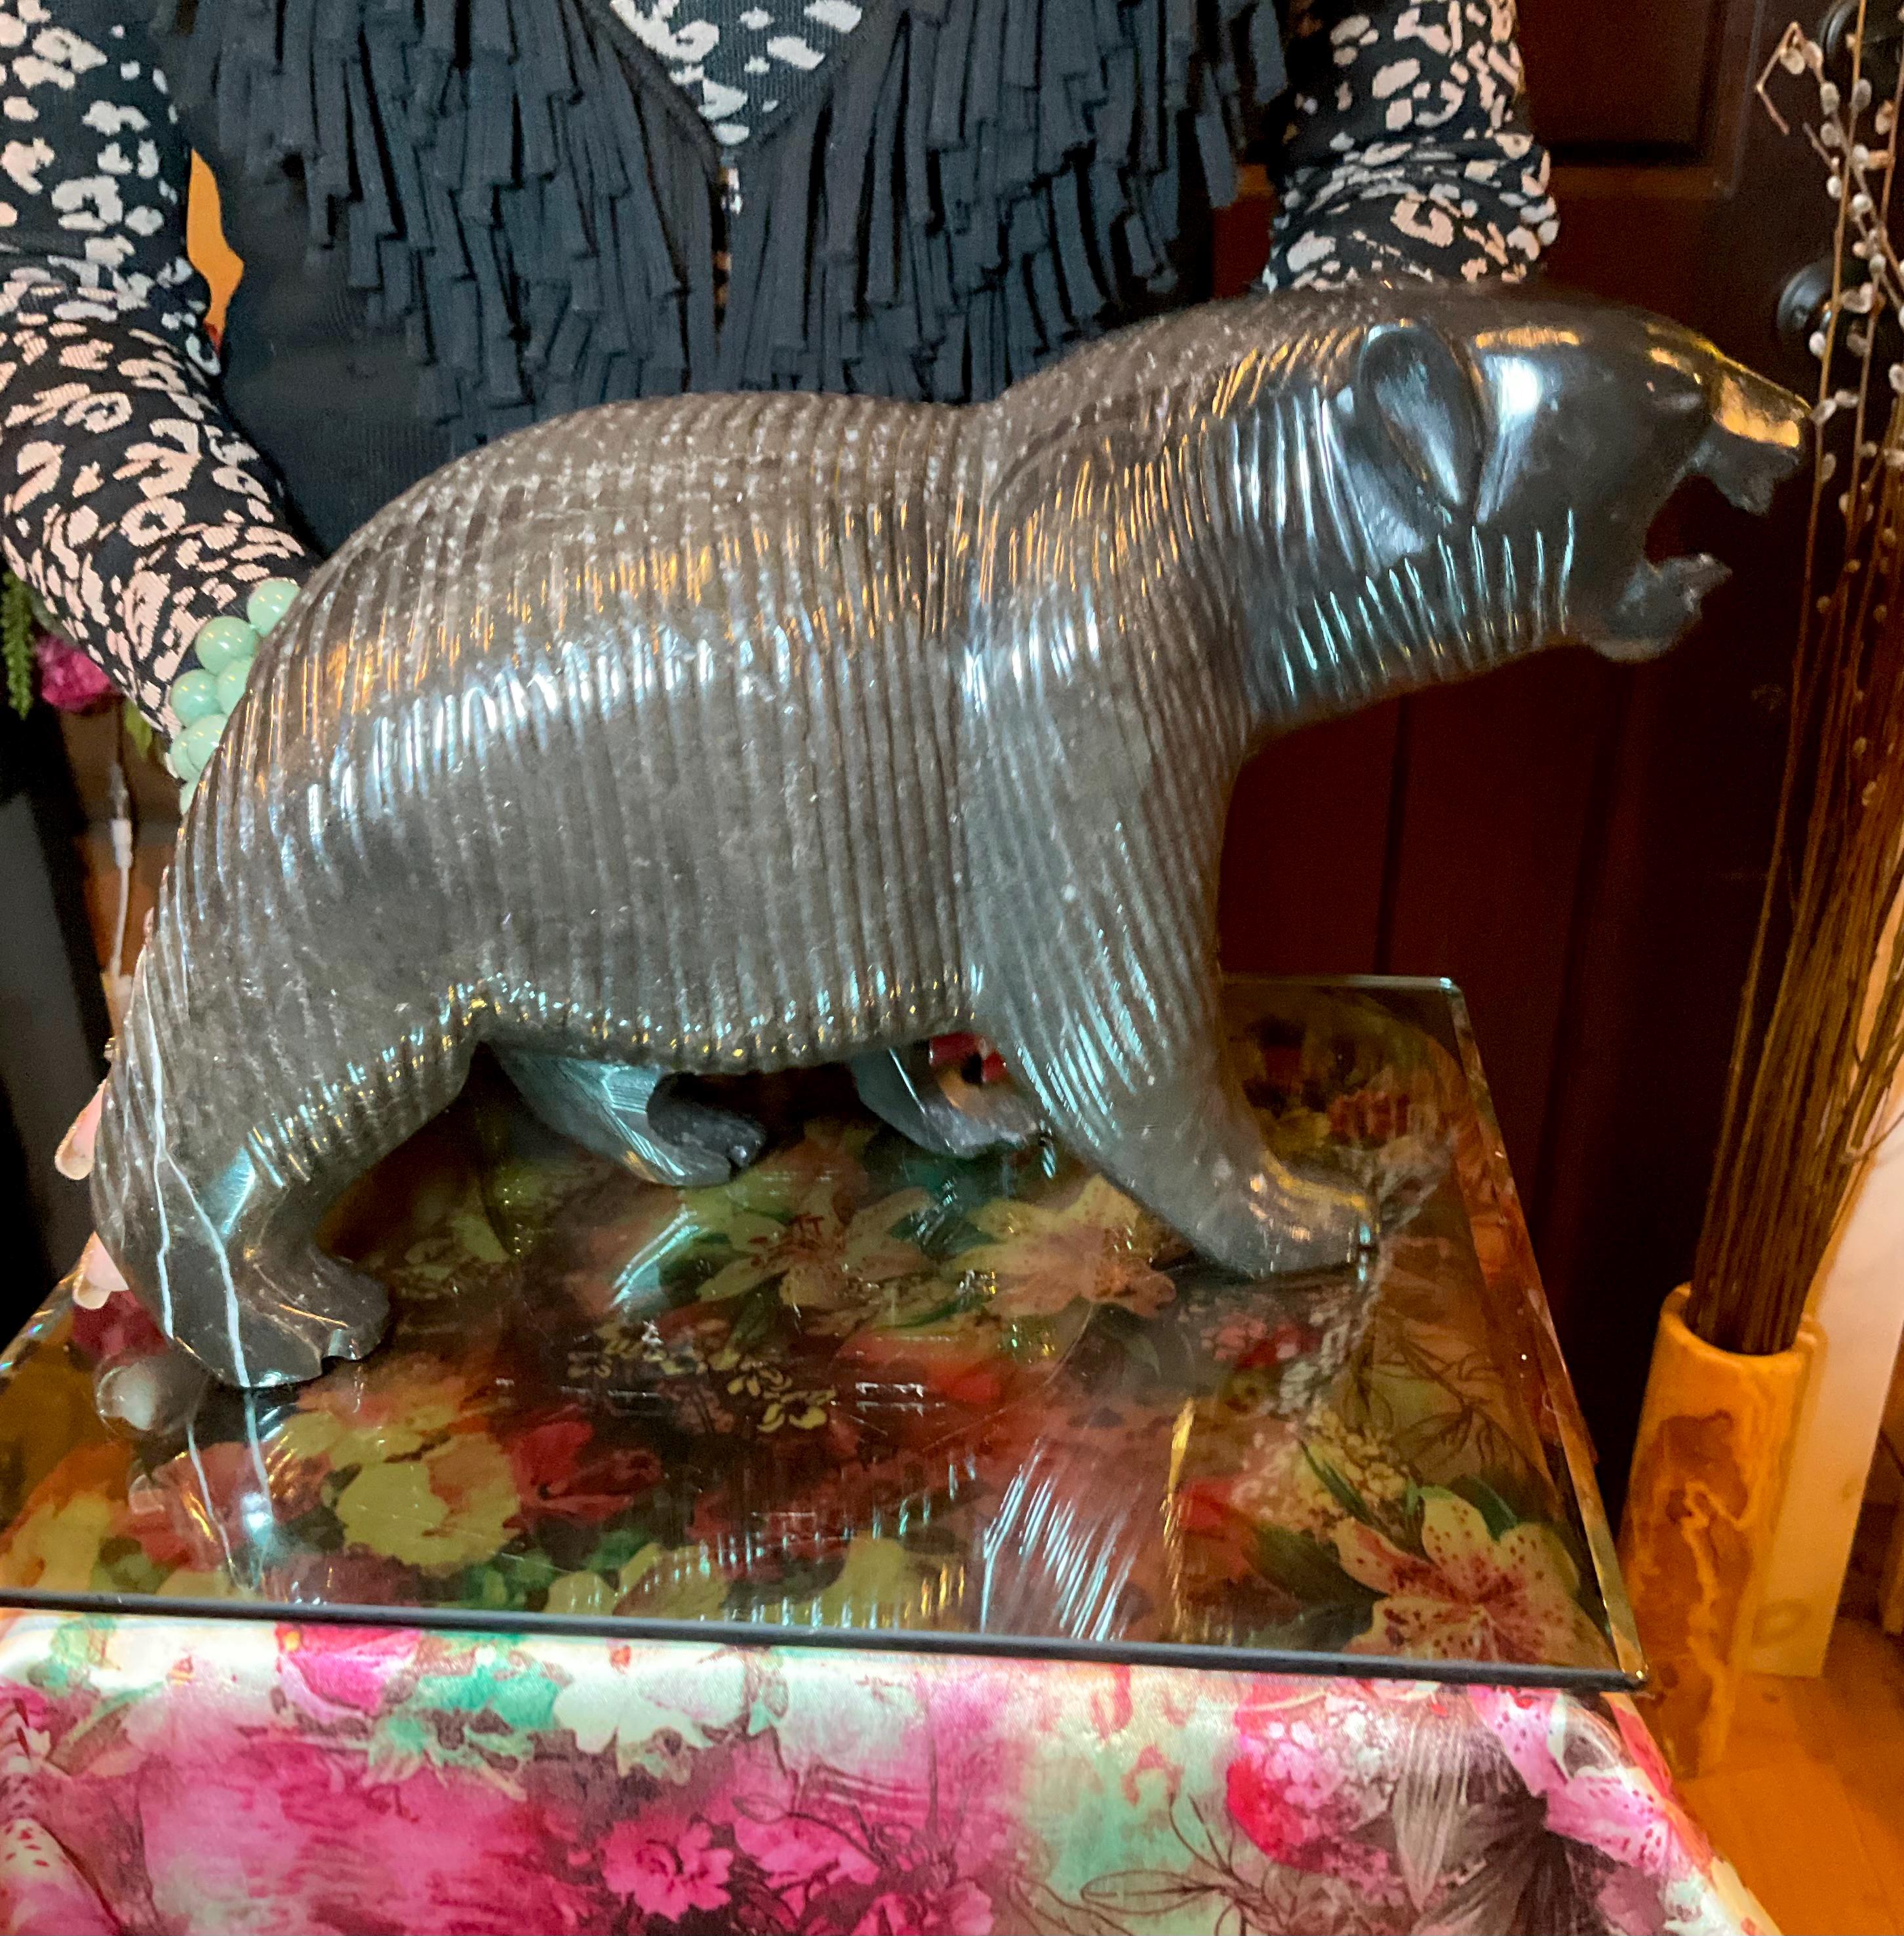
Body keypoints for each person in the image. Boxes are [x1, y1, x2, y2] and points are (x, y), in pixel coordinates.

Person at [9, 0, 1553, 1297]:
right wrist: (255, 674)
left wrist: (1262, 531)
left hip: (1040, 946)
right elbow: (53, 284)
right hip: (401, 931)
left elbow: (1429, 159)